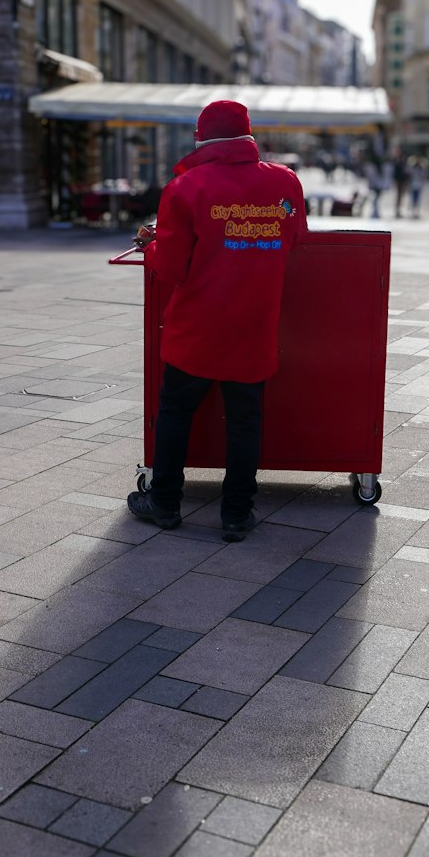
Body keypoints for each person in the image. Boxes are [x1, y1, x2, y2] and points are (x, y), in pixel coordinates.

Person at [127, 99, 307, 542]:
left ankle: (165, 503)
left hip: (198, 329)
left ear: (201, 138)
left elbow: (170, 268)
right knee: (245, 420)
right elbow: (295, 236)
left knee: (175, 413)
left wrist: (149, 244)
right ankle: (236, 514)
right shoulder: (285, 184)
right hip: (253, 324)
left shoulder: (186, 189)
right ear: (248, 135)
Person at [393, 150, 410, 218]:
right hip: (399, 181)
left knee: (401, 197)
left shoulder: (403, 163)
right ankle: (397, 211)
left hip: (402, 181)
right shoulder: (397, 163)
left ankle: (399, 211)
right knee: (399, 197)